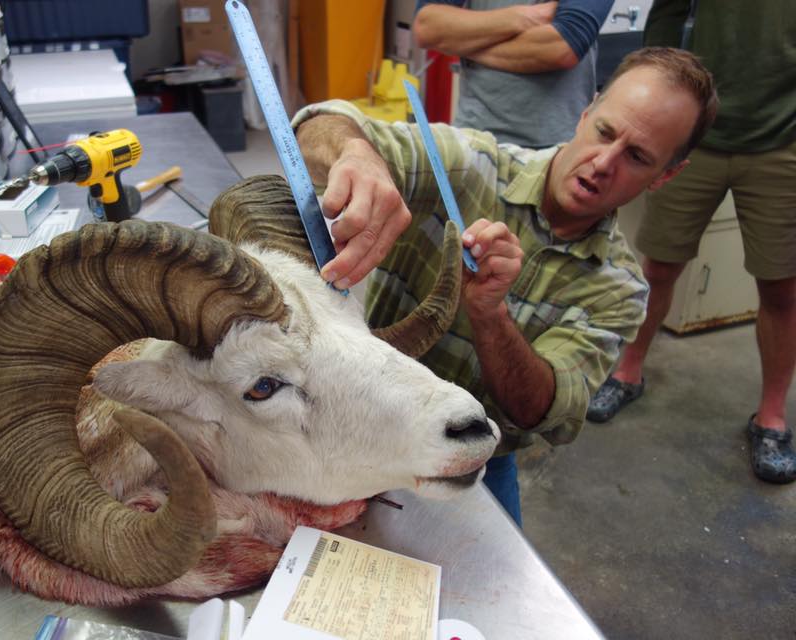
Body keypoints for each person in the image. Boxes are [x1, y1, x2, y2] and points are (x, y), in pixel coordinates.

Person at [292, 47, 718, 525]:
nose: (603, 163)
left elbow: (549, 413)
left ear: (666, 175)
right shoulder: (469, 165)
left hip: (476, 451)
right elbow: (318, 123)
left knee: (493, 579)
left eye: (637, 157)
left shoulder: (618, 289)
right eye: (605, 132)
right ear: (587, 111)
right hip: (356, 415)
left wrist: (492, 317)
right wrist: (356, 155)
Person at [585, 3, 796, 485]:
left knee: (781, 285)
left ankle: (771, 417)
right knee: (658, 266)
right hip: (697, 137)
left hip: (782, 142)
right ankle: (628, 373)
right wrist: (660, 97)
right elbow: (666, 16)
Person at [412, 0, 613, 148]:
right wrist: (523, 16)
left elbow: (563, 46)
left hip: (556, 149)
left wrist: (465, 44)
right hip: (472, 142)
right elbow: (427, 26)